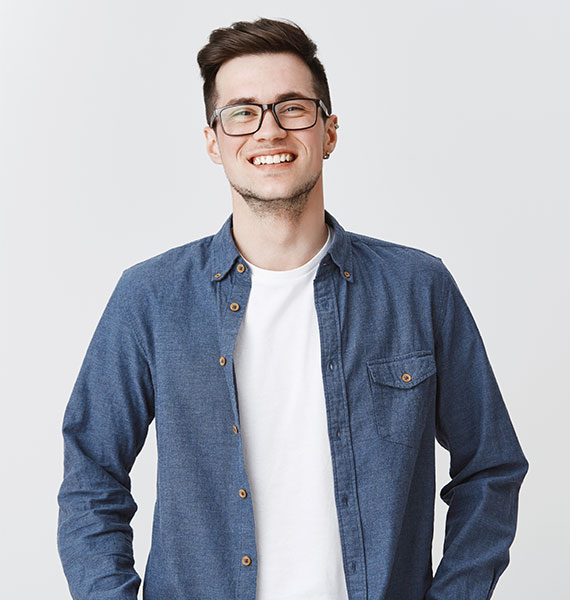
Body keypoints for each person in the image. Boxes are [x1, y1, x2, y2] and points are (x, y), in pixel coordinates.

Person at [57, 16, 529, 600]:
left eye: (293, 108)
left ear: (329, 132)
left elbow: (490, 468)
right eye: (242, 112)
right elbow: (91, 476)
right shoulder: (150, 298)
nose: (269, 130)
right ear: (214, 141)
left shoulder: (417, 288)